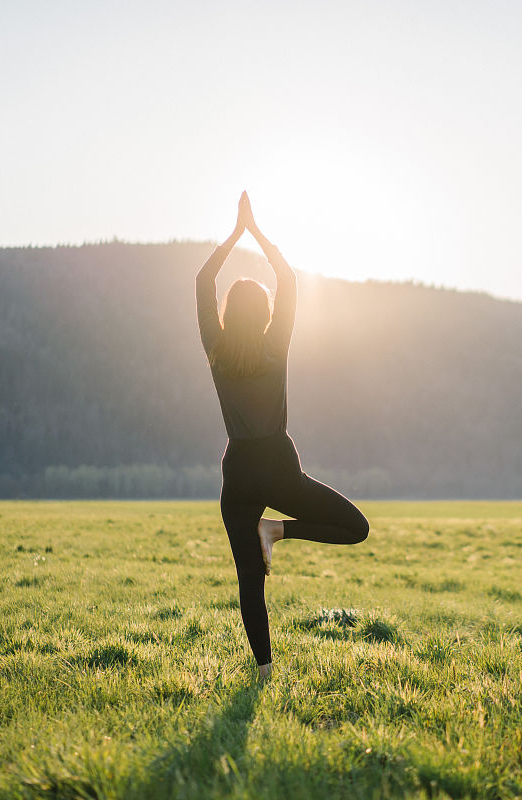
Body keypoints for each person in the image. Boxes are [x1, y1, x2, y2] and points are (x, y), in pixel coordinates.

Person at [197, 192, 369, 678]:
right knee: (356, 528)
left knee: (250, 580)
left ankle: (264, 671)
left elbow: (202, 281)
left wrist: (233, 234)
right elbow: (289, 280)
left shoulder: (216, 350)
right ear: (265, 313)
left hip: (238, 471)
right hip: (278, 465)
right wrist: (256, 232)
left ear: (229, 312)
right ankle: (278, 530)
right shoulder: (275, 346)